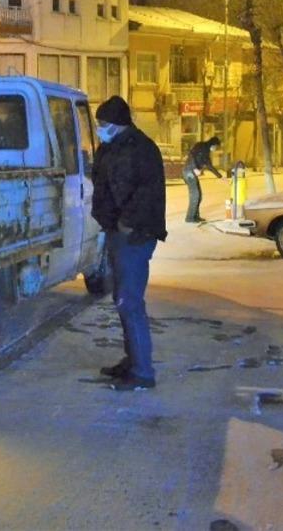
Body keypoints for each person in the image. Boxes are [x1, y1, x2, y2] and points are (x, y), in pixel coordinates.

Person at [90, 95, 167, 391]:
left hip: (134, 235)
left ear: (119, 123)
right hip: (117, 231)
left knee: (129, 301)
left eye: (104, 123)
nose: (100, 128)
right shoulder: (111, 147)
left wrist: (127, 223)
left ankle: (143, 372)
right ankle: (132, 359)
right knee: (121, 299)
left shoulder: (141, 149)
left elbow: (148, 193)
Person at [183, 135, 223, 223]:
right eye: (216, 146)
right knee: (195, 195)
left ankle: (195, 216)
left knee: (199, 195)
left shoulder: (206, 153)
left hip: (191, 172)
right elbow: (191, 155)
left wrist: (220, 176)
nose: (215, 149)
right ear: (213, 144)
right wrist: (194, 168)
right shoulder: (200, 145)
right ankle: (190, 218)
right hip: (189, 171)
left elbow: (209, 166)